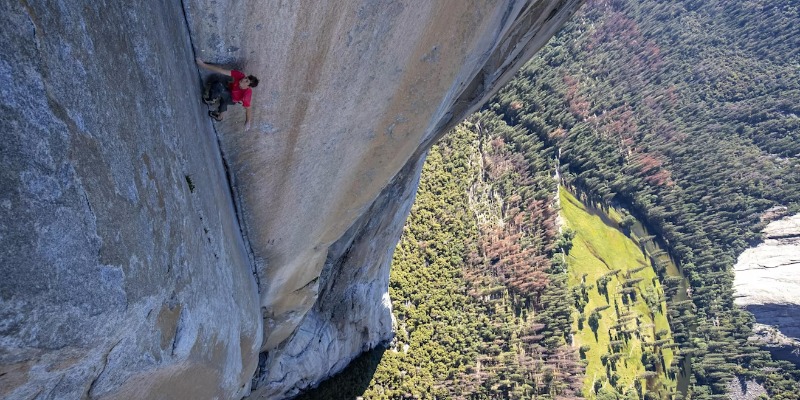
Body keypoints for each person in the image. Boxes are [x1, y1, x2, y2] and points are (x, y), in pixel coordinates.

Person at [195, 58, 259, 130]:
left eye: (246, 81)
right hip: (229, 90)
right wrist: (203, 65)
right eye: (246, 78)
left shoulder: (247, 94)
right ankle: (219, 117)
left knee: (219, 86)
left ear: (248, 86)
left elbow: (248, 109)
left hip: (232, 99)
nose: (243, 79)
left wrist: (248, 121)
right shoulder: (240, 75)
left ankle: (211, 100)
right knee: (224, 98)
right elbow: (221, 71)